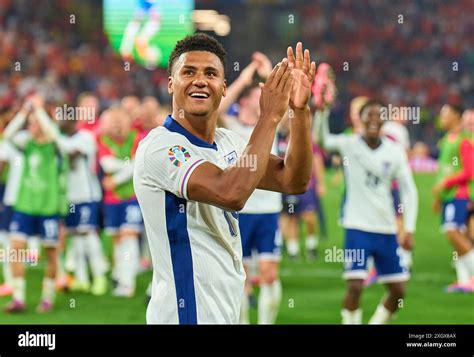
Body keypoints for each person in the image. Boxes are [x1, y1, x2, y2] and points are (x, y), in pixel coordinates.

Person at [133, 33, 315, 324]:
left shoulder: (228, 142)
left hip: (223, 312)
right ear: (171, 84)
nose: (200, 80)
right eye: (188, 72)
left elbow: (293, 180)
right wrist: (268, 116)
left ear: (224, 88)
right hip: (186, 315)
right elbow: (231, 193)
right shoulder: (160, 146)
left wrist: (299, 111)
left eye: (211, 73)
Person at [316, 99, 418, 324]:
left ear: (384, 119)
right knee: (355, 286)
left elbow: (409, 191)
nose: (373, 119)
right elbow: (321, 140)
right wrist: (322, 113)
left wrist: (408, 228)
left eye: (378, 115)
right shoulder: (348, 144)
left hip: (386, 229)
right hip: (357, 228)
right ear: (359, 119)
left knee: (398, 291)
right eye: (368, 115)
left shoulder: (394, 152)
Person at [217, 52, 283, 324]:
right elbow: (217, 109)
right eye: (256, 94)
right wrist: (244, 78)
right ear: (244, 101)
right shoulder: (229, 127)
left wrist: (269, 76)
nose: (262, 97)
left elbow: (284, 106)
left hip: (268, 210)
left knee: (269, 274)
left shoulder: (271, 127)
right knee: (239, 276)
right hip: (239, 210)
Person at [3, 95, 68, 313]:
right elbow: (7, 135)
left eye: (36, 123)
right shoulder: (25, 145)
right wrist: (24, 112)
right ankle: (18, 298)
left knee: (51, 253)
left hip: (48, 208)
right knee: (16, 250)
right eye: (30, 124)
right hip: (24, 206)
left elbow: (54, 135)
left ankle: (47, 297)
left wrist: (39, 111)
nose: (33, 127)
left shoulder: (54, 147)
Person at [57, 118, 107, 295]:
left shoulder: (85, 137)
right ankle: (82, 278)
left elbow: (72, 154)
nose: (59, 122)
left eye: (62, 118)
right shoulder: (61, 138)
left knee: (87, 234)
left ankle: (99, 276)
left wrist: (54, 138)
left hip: (87, 194)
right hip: (69, 197)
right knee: (75, 237)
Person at [98, 107, 144, 297]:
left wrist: (115, 179)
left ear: (128, 122)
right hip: (112, 199)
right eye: (112, 122)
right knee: (117, 239)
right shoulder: (102, 140)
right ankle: (120, 276)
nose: (116, 126)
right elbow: (107, 164)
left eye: (120, 121)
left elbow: (138, 165)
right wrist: (129, 166)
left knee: (129, 235)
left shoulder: (137, 138)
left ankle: (127, 282)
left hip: (133, 196)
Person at [432, 104, 474, 292]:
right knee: (455, 236)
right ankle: (464, 281)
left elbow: (470, 171)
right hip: (448, 196)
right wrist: (439, 196)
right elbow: (444, 171)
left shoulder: (464, 141)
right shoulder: (446, 140)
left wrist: (447, 183)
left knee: (453, 232)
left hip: (460, 195)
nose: (442, 117)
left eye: (445, 114)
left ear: (456, 117)